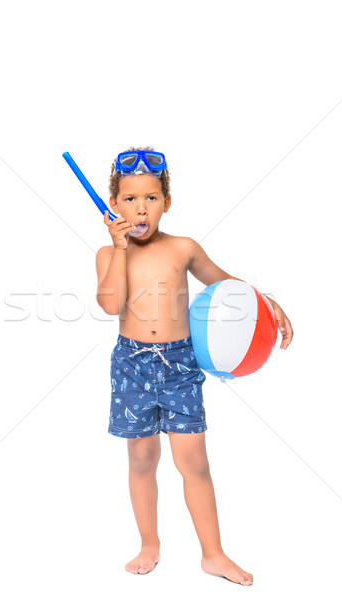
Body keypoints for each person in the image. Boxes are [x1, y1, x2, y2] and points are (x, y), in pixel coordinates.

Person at [95, 146, 294, 585]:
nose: (141, 207)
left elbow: (224, 284)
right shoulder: (109, 254)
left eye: (150, 197)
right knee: (143, 457)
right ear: (114, 206)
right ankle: (150, 544)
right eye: (130, 199)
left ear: (166, 202)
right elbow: (110, 304)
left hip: (180, 365)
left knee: (195, 462)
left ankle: (214, 554)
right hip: (131, 365)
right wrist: (119, 247)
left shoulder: (183, 248)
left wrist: (267, 301)